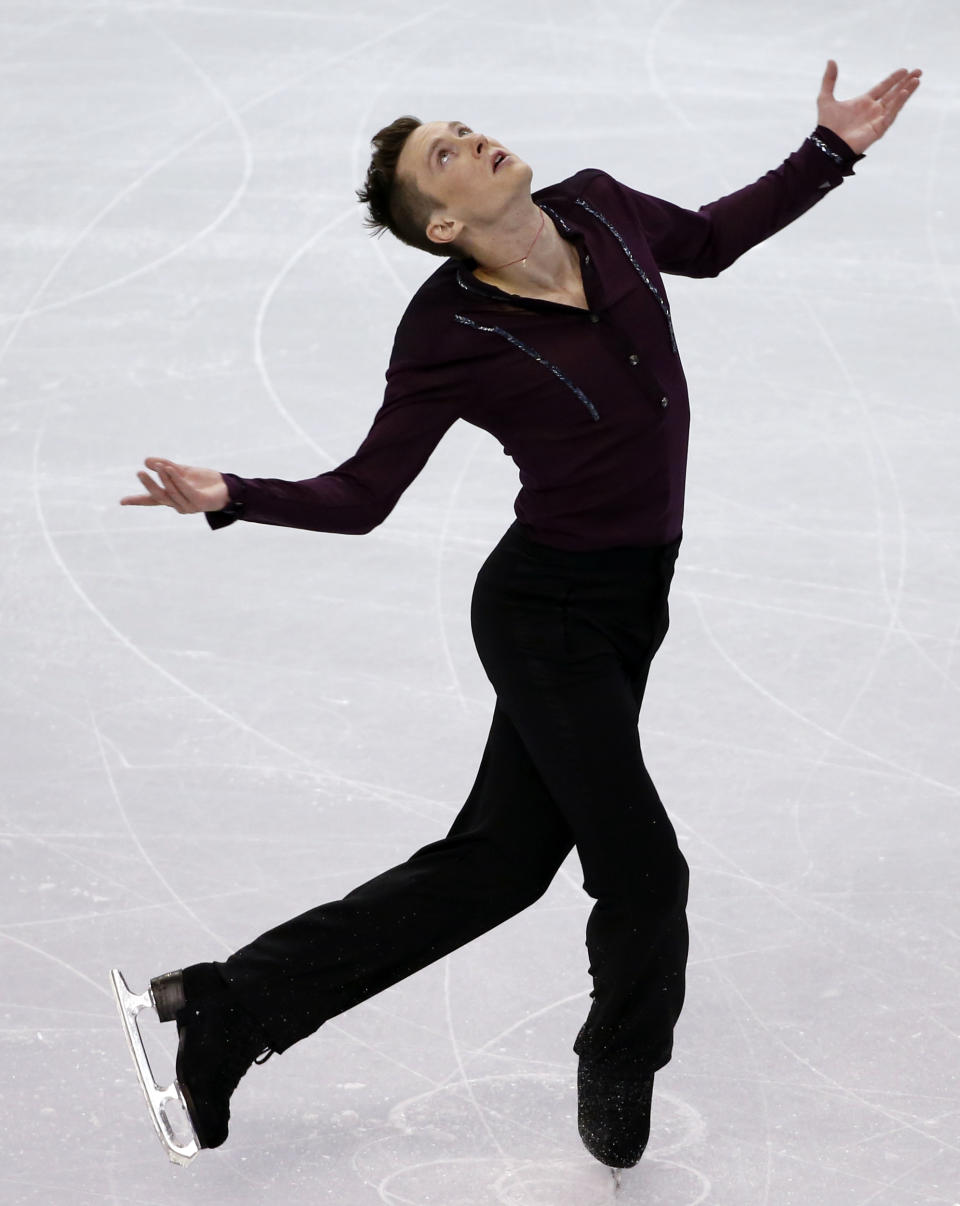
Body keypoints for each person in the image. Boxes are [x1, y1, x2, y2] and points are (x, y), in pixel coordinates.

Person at [113, 60, 921, 1174]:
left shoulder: (600, 204)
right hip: (546, 611)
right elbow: (364, 497)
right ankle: (619, 1052)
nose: (473, 141)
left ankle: (229, 1004)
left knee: (496, 865)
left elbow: (717, 237)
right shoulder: (447, 331)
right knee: (644, 870)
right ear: (442, 222)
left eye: (464, 127)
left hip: (636, 598)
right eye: (444, 154)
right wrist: (236, 495)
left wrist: (829, 152)